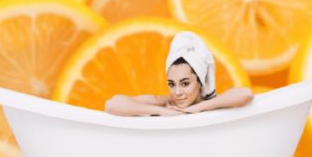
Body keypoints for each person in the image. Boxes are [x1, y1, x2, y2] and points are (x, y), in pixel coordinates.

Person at [104, 31, 254, 117]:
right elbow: (112, 105)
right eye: (171, 84)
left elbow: (245, 94)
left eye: (185, 83)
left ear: (200, 81)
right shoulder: (165, 103)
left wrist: (199, 107)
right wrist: (162, 111)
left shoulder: (214, 103)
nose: (177, 92)